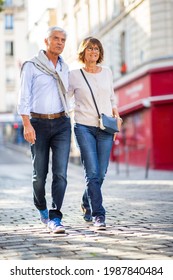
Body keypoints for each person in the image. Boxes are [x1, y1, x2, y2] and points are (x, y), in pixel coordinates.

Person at [18, 26, 71, 234]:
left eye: (63, 40)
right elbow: (23, 97)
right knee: (39, 175)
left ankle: (55, 217)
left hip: (62, 124)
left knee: (61, 173)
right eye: (56, 38)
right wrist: (26, 124)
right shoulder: (31, 66)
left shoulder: (65, 68)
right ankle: (41, 206)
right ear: (46, 41)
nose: (60, 42)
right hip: (37, 123)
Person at [68, 37, 121, 230]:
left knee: (101, 172)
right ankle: (99, 215)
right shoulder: (74, 75)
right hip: (83, 127)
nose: (94, 52)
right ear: (84, 52)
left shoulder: (107, 72)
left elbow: (111, 97)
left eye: (97, 49)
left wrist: (115, 111)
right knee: (92, 172)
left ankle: (86, 201)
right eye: (90, 48)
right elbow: (65, 98)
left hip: (105, 127)